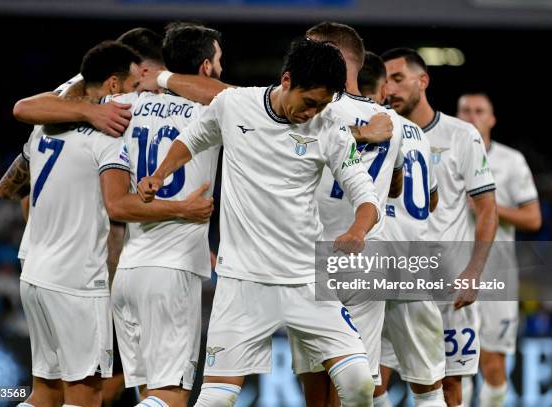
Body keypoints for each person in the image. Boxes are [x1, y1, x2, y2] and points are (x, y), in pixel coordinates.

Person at [139, 37, 381, 407]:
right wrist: (159, 174)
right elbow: (192, 139)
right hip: (243, 281)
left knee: (360, 385)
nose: (312, 113)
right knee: (215, 400)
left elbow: (366, 195)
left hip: (307, 278)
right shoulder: (234, 105)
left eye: (322, 105)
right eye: (309, 102)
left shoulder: (330, 128)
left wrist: (356, 230)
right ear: (286, 81)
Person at [16, 40, 211, 407]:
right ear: (113, 86)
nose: (138, 95)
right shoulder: (107, 135)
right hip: (77, 279)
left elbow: (13, 184)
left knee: (44, 393)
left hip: (34, 269)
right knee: (88, 397)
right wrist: (183, 209)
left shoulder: (46, 126)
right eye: (135, 85)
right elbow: (118, 204)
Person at [286, 23, 404, 407]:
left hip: (311, 252)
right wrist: (366, 136)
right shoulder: (393, 122)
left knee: (317, 388)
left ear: (330, 56)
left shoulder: (313, 108)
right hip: (366, 254)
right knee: (355, 384)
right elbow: (397, 187)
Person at [109, 24, 223, 407]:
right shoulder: (210, 109)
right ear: (206, 67)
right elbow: (242, 100)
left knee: (149, 393)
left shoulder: (126, 106)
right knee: (171, 395)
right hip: (171, 272)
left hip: (127, 271)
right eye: (219, 61)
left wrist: (151, 80)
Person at [382, 47, 498, 407]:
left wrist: (474, 271)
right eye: (385, 81)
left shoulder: (462, 135)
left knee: (448, 388)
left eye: (398, 79)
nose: (390, 89)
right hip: (392, 276)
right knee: (370, 383)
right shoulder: (379, 131)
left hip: (448, 283)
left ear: (423, 80)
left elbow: (487, 208)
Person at [359, 51, 446, 407]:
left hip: (366, 256)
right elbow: (432, 199)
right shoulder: (415, 132)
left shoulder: (342, 123)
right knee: (428, 387)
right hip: (414, 260)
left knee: (358, 377)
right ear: (381, 87)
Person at [457, 92, 541, 407]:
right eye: (465, 110)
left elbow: (533, 218)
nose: (472, 116)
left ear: (491, 119)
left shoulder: (510, 161)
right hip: (450, 272)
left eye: (479, 111)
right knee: (454, 364)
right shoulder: (439, 156)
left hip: (497, 275)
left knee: (492, 362)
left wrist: (487, 206)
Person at [12, 27, 165, 138]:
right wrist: (91, 112)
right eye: (150, 75)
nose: (155, 87)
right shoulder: (84, 84)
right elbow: (24, 108)